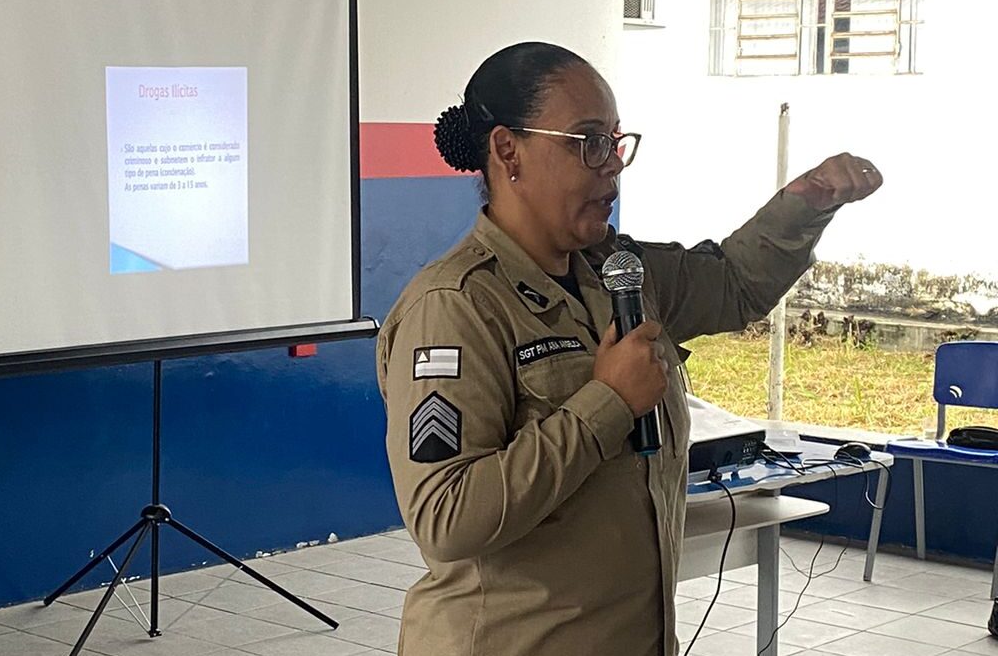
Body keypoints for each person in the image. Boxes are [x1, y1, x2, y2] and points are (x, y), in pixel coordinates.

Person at [375, 42, 883, 656]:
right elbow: (446, 518)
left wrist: (808, 200)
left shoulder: (619, 272)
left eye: (616, 143)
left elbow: (732, 285)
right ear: (508, 150)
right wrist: (608, 402)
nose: (611, 166)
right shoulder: (455, 306)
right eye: (586, 142)